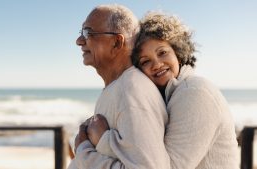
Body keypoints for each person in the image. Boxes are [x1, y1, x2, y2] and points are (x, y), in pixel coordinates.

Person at [87, 11, 239, 168]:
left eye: (162, 53)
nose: (157, 64)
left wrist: (104, 140)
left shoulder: (195, 92)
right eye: (145, 61)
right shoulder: (171, 95)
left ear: (178, 53)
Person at [68, 4, 170, 169]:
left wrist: (83, 151)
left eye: (87, 33)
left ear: (116, 42)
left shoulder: (132, 91)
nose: (79, 41)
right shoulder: (120, 87)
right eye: (81, 33)